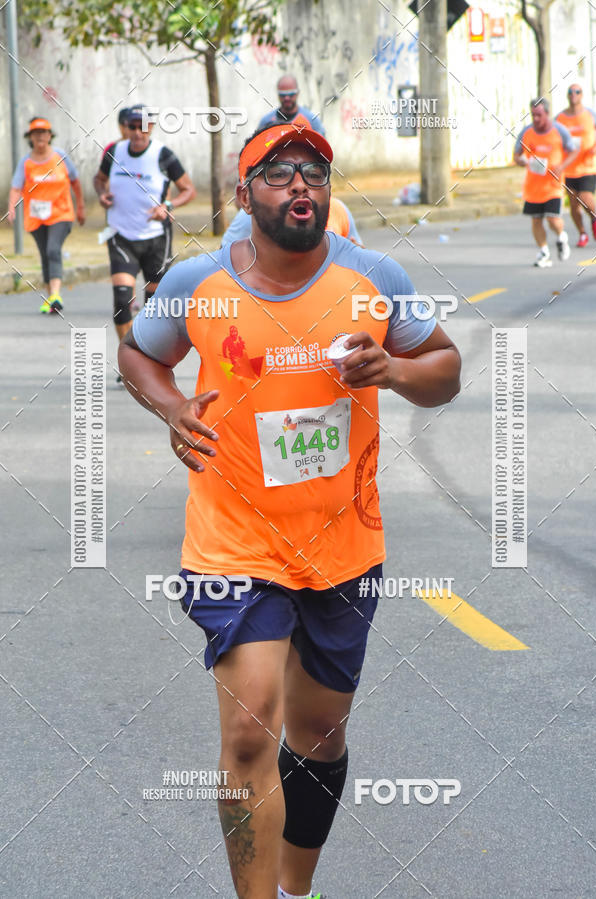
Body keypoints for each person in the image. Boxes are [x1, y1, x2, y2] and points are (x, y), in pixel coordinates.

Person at [118, 123, 461, 899]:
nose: (299, 184)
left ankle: (296, 887)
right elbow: (139, 352)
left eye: (313, 171)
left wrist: (398, 370)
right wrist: (173, 406)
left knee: (317, 733)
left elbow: (446, 367)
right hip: (233, 543)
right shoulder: (197, 283)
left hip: (343, 544)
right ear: (245, 196)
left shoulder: (373, 278)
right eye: (277, 173)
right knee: (249, 731)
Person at [92, 104, 196, 361]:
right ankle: (127, 358)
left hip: (156, 238)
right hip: (121, 235)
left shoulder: (163, 155)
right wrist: (102, 194)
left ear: (151, 127)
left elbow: (188, 190)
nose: (138, 132)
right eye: (132, 126)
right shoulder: (114, 152)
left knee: (154, 306)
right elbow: (98, 179)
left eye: (143, 127)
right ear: (124, 128)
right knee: (122, 299)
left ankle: (148, 357)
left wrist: (168, 206)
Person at [7, 116, 85, 313]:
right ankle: (51, 297)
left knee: (52, 249)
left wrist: (81, 207)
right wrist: (11, 207)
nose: (40, 137)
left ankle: (56, 294)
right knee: (44, 255)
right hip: (36, 216)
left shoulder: (60, 156)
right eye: (36, 133)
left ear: (50, 136)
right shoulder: (25, 162)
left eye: (43, 133)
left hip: (61, 213)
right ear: (30, 137)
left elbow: (75, 182)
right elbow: (16, 188)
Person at [513, 99, 578, 267]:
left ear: (547, 114)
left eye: (539, 115)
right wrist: (520, 161)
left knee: (552, 218)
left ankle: (561, 236)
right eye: (533, 115)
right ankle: (544, 252)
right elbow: (516, 155)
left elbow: (573, 150)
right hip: (533, 187)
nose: (536, 118)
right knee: (536, 220)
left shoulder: (560, 131)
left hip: (553, 186)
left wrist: (561, 166)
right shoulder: (526, 132)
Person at [222, 195, 363, 247]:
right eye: (282, 173)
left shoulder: (338, 210)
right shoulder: (254, 214)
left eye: (313, 173)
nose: (300, 184)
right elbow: (222, 264)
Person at [555, 84, 596, 246]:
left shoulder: (590, 115)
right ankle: (582, 233)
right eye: (570, 92)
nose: (573, 94)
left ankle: (595, 219)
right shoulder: (560, 118)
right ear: (567, 96)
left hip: (588, 165)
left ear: (582, 95)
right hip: (568, 168)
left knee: (585, 197)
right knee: (573, 204)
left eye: (577, 92)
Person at [257, 74, 325, 135]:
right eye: (283, 95)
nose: (287, 98)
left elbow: (321, 146)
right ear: (278, 95)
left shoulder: (311, 121)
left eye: (291, 94)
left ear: (297, 93)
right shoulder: (267, 122)